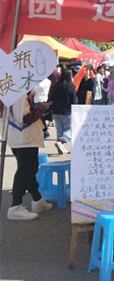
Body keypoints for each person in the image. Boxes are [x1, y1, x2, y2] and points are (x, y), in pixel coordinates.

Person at [6, 92, 53, 220]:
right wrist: (41, 108)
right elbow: (23, 118)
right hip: (23, 138)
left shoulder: (16, 93)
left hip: (22, 138)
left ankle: (37, 200)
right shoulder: (18, 94)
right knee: (25, 171)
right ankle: (15, 206)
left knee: (29, 170)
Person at [48, 69, 78, 155]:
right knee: (69, 129)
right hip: (66, 111)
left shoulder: (55, 85)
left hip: (56, 111)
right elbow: (74, 99)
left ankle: (61, 146)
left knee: (60, 129)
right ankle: (61, 142)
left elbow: (50, 98)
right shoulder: (70, 86)